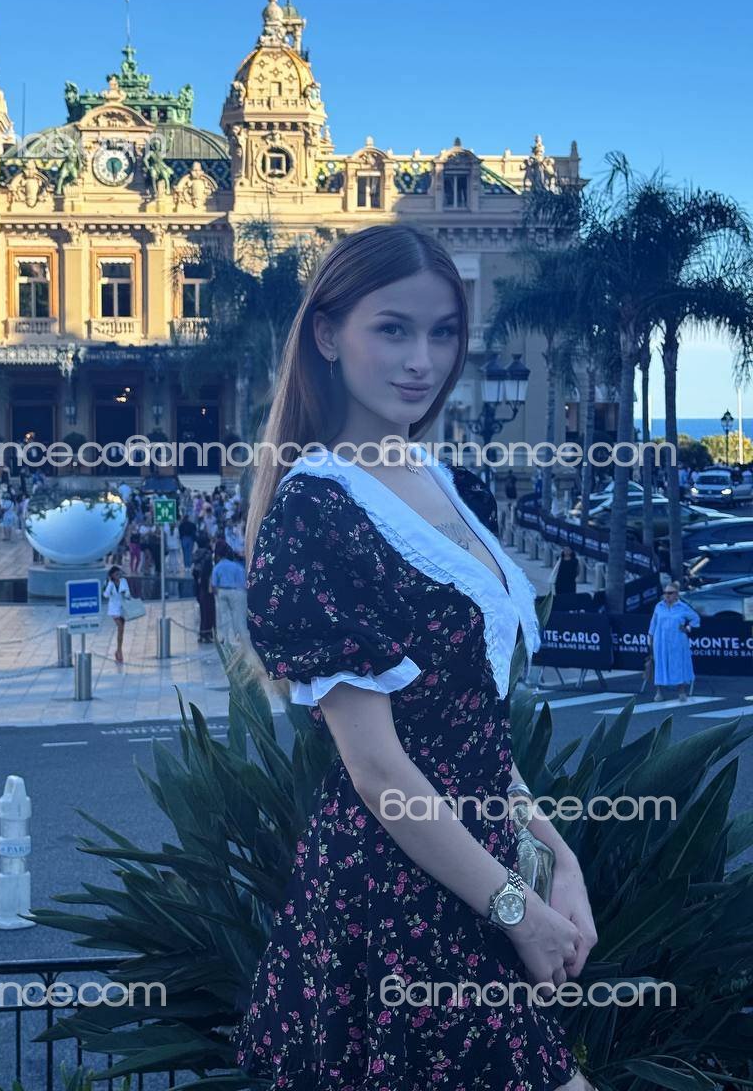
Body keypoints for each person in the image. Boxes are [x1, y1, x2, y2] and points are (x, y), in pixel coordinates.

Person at [232, 224, 597, 1091]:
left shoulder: (438, 479)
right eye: (392, 329)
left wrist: (554, 853)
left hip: (473, 881)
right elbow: (377, 770)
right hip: (397, 903)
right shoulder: (317, 509)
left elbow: (475, 732)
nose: (421, 361)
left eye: (442, 333)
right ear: (328, 335)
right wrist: (516, 910)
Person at [648, 581, 701, 702]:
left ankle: (681, 691)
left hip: (677, 641)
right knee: (660, 665)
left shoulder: (683, 607)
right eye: (665, 593)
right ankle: (659, 692)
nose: (667, 595)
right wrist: (650, 638)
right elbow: (653, 623)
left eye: (670, 593)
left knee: (678, 664)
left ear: (676, 594)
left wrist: (687, 628)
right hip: (660, 641)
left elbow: (695, 618)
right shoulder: (659, 606)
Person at [210, 539, 248, 648]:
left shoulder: (217, 567)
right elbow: (243, 583)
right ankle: (239, 636)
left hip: (222, 591)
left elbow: (214, 584)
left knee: (224, 615)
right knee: (237, 615)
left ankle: (225, 639)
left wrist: (218, 594)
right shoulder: (236, 566)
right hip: (235, 591)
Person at [103, 562, 131, 664]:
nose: (118, 576)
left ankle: (119, 650)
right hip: (114, 609)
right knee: (120, 627)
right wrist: (110, 586)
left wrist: (125, 594)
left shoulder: (123, 581)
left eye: (119, 574)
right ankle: (119, 651)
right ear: (112, 575)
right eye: (116, 574)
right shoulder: (109, 583)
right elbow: (105, 595)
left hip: (123, 608)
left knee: (121, 631)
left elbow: (128, 592)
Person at [191, 539, 216, 644]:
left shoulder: (197, 556)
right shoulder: (208, 556)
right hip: (207, 589)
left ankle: (202, 634)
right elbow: (207, 572)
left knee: (203, 613)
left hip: (199, 588)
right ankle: (207, 634)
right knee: (208, 612)